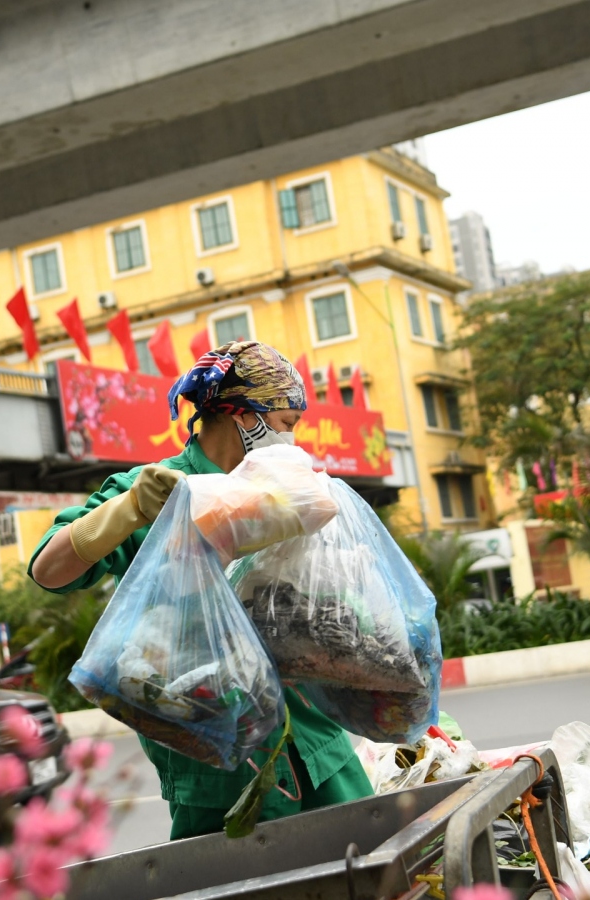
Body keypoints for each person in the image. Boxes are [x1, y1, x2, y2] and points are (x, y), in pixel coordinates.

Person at [28, 340, 374, 839]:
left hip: (317, 747)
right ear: (239, 415)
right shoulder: (160, 488)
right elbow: (48, 569)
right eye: (284, 424)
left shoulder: (291, 489)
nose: (292, 441)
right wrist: (128, 510)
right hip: (217, 766)